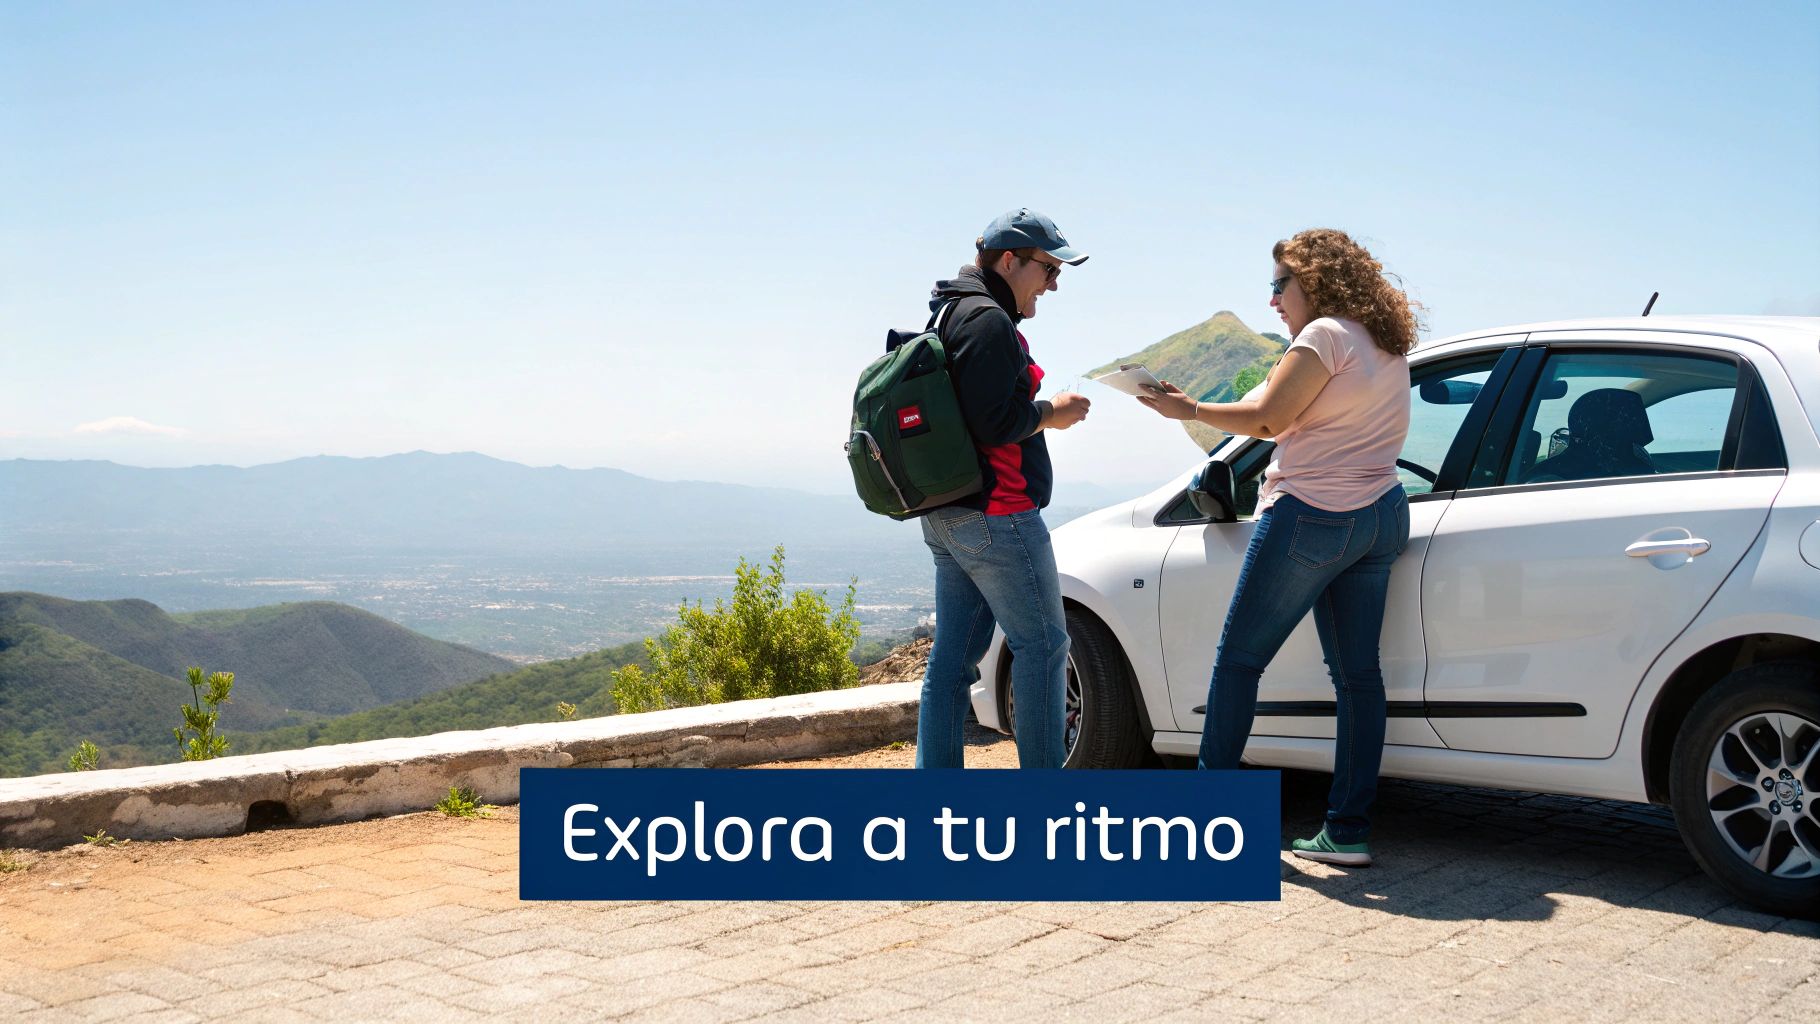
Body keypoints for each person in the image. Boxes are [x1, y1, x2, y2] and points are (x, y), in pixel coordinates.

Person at [1137, 228, 1420, 865]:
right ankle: (1347, 832)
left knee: (1239, 663)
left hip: (1314, 515)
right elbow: (1275, 404)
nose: (1272, 301)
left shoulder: (1323, 336)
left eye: (1278, 284)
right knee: (1358, 678)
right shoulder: (1384, 340)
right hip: (1380, 513)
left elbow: (1268, 422)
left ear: (1312, 281)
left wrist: (1189, 410)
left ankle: (1206, 830)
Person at [914, 208, 1092, 769]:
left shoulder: (951, 310)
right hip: (999, 514)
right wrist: (1051, 412)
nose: (1055, 283)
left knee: (953, 662)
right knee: (1042, 651)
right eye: (1048, 268)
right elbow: (993, 423)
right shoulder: (987, 320)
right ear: (1009, 260)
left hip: (951, 514)